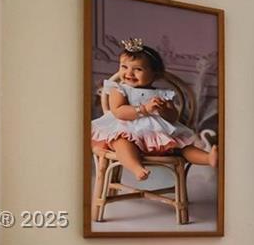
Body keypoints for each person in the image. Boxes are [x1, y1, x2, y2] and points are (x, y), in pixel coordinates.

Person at [90, 39, 216, 181]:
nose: (129, 73)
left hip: (158, 137)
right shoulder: (119, 89)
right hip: (127, 130)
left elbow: (173, 117)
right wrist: (143, 109)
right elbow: (118, 111)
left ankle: (208, 158)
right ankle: (136, 167)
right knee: (121, 143)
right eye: (124, 67)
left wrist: (164, 110)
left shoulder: (162, 94)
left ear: (155, 74)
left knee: (183, 146)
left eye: (138, 69)